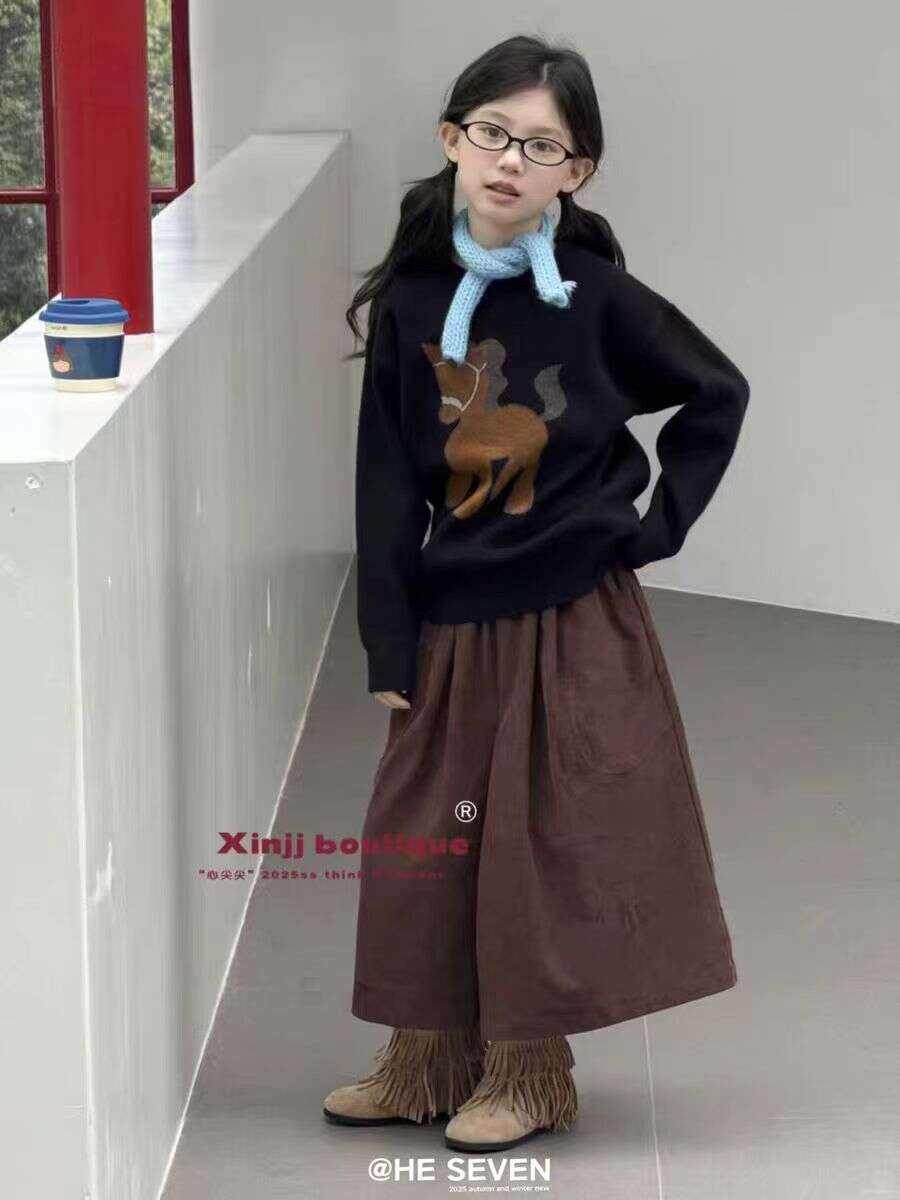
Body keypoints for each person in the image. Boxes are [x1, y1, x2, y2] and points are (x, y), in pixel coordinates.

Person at [323, 33, 750, 1154]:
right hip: (454, 615)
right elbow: (384, 478)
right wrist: (387, 637)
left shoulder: (597, 297)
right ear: (451, 140)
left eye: (543, 145)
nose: (512, 160)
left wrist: (651, 528)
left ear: (578, 170)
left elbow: (716, 392)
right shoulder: (415, 302)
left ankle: (528, 1071)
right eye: (493, 134)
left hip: (572, 616)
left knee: (535, 847)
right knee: (426, 841)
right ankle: (426, 1059)